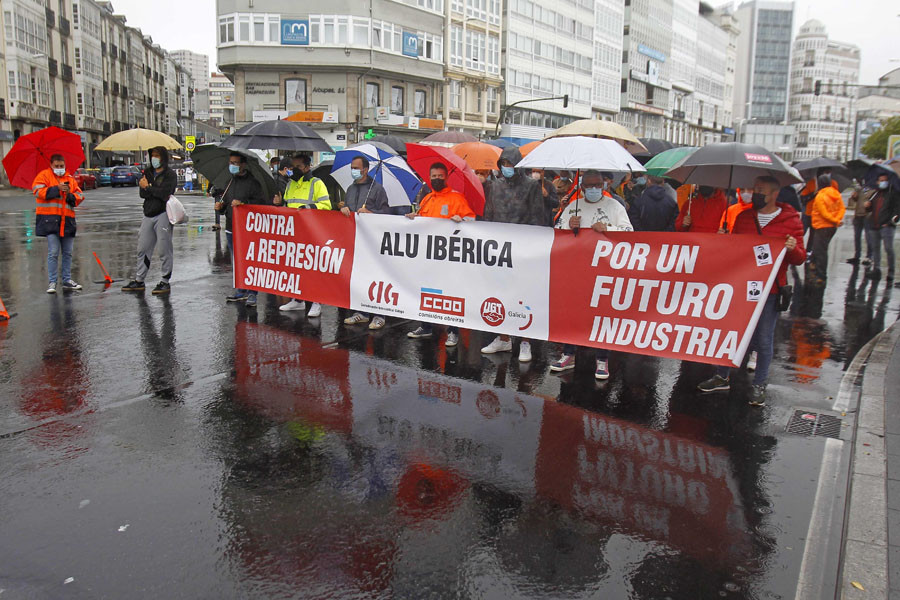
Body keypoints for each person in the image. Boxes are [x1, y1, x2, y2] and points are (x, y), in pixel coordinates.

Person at [697, 175, 805, 406]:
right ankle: (721, 375)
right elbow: (735, 251)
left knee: (764, 339)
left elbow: (800, 258)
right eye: (754, 189)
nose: (754, 194)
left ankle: (759, 384)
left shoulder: (791, 220)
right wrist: (724, 240)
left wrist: (792, 249)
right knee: (731, 333)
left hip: (771, 289)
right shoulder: (745, 217)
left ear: (775, 194)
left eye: (760, 190)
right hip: (742, 287)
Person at [550, 170, 633, 380]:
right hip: (577, 270)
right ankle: (569, 353)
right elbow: (556, 230)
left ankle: (602, 358)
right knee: (573, 313)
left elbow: (630, 233)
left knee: (601, 314)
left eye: (599, 184)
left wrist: (609, 229)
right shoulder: (573, 207)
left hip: (604, 271)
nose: (595, 188)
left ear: (604, 184)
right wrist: (568, 226)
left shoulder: (614, 206)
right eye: (590, 185)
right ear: (583, 187)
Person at [480, 147, 546, 362]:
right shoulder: (494, 186)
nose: (507, 168)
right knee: (500, 293)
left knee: (523, 295)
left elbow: (538, 217)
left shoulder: (531, 186)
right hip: (498, 248)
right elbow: (488, 214)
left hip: (523, 248)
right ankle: (503, 338)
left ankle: (525, 341)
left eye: (511, 164)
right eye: (504, 164)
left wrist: (533, 247)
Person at [405, 162, 476, 347]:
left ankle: (453, 331)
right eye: (433, 176)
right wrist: (413, 217)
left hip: (448, 257)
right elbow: (421, 219)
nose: (436, 179)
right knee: (425, 290)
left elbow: (472, 220)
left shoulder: (456, 198)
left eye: (440, 176)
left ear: (446, 177)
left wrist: (462, 221)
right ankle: (425, 326)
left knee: (450, 294)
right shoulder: (427, 199)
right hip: (427, 256)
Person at [340, 155, 394, 330]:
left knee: (375, 277)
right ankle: (361, 312)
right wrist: (343, 209)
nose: (353, 171)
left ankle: (379, 314)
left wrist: (370, 212)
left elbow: (387, 214)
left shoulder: (377, 189)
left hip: (373, 242)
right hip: (355, 240)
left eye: (356, 168)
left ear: (365, 169)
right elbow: (348, 210)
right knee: (358, 276)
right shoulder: (349, 189)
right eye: (352, 167)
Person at [277, 154, 332, 315]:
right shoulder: (290, 184)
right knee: (296, 268)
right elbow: (288, 205)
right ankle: (298, 300)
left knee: (312, 269)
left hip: (311, 232)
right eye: (292, 167)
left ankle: (316, 302)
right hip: (293, 232)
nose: (294, 170)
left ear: (307, 167)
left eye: (298, 167)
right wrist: (279, 204)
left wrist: (308, 208)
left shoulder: (317, 183)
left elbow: (326, 205)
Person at [122, 147, 178, 295]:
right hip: (148, 214)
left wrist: (149, 187)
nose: (154, 158)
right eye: (152, 155)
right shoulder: (147, 172)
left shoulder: (170, 175)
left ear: (163, 158)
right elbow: (142, 193)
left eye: (157, 156)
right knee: (143, 248)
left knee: (164, 248)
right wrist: (150, 188)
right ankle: (139, 280)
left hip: (163, 214)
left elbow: (165, 193)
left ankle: (165, 280)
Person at [217, 152, 268, 307]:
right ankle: (241, 290)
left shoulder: (253, 183)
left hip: (247, 230)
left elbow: (259, 204)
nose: (232, 165)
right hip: (231, 228)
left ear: (243, 164)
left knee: (249, 260)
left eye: (236, 163)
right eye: (231, 162)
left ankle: (252, 292)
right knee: (237, 261)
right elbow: (226, 204)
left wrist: (243, 204)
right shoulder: (229, 183)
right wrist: (220, 208)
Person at [32, 154, 85, 293]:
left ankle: (67, 280)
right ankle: (52, 282)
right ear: (51, 165)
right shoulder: (43, 176)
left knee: (67, 253)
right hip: (50, 222)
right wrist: (56, 189)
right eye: (57, 166)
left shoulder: (70, 179)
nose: (60, 168)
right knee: (53, 252)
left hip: (67, 222)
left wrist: (69, 195)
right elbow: (37, 191)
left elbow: (80, 196)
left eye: (62, 166)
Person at [808, 173, 846, 282]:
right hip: (832, 227)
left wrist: (834, 220)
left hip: (821, 226)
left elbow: (823, 213)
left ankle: (821, 275)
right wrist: (837, 220)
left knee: (821, 251)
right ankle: (813, 265)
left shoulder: (820, 196)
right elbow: (842, 209)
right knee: (817, 248)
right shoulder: (836, 194)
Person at [864, 172, 900, 281]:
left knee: (888, 249)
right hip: (874, 225)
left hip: (886, 226)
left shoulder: (893, 193)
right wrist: (867, 206)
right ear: (877, 182)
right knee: (875, 249)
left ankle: (891, 272)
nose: (883, 182)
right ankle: (876, 270)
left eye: (885, 180)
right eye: (881, 180)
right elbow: (870, 209)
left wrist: (889, 222)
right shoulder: (876, 194)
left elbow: (897, 210)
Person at [846, 182, 872, 266]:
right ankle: (857, 256)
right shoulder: (860, 187)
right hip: (858, 214)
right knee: (857, 236)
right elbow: (855, 200)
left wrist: (869, 204)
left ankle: (869, 256)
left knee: (868, 237)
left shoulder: (874, 188)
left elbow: (875, 202)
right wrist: (854, 196)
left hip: (867, 215)